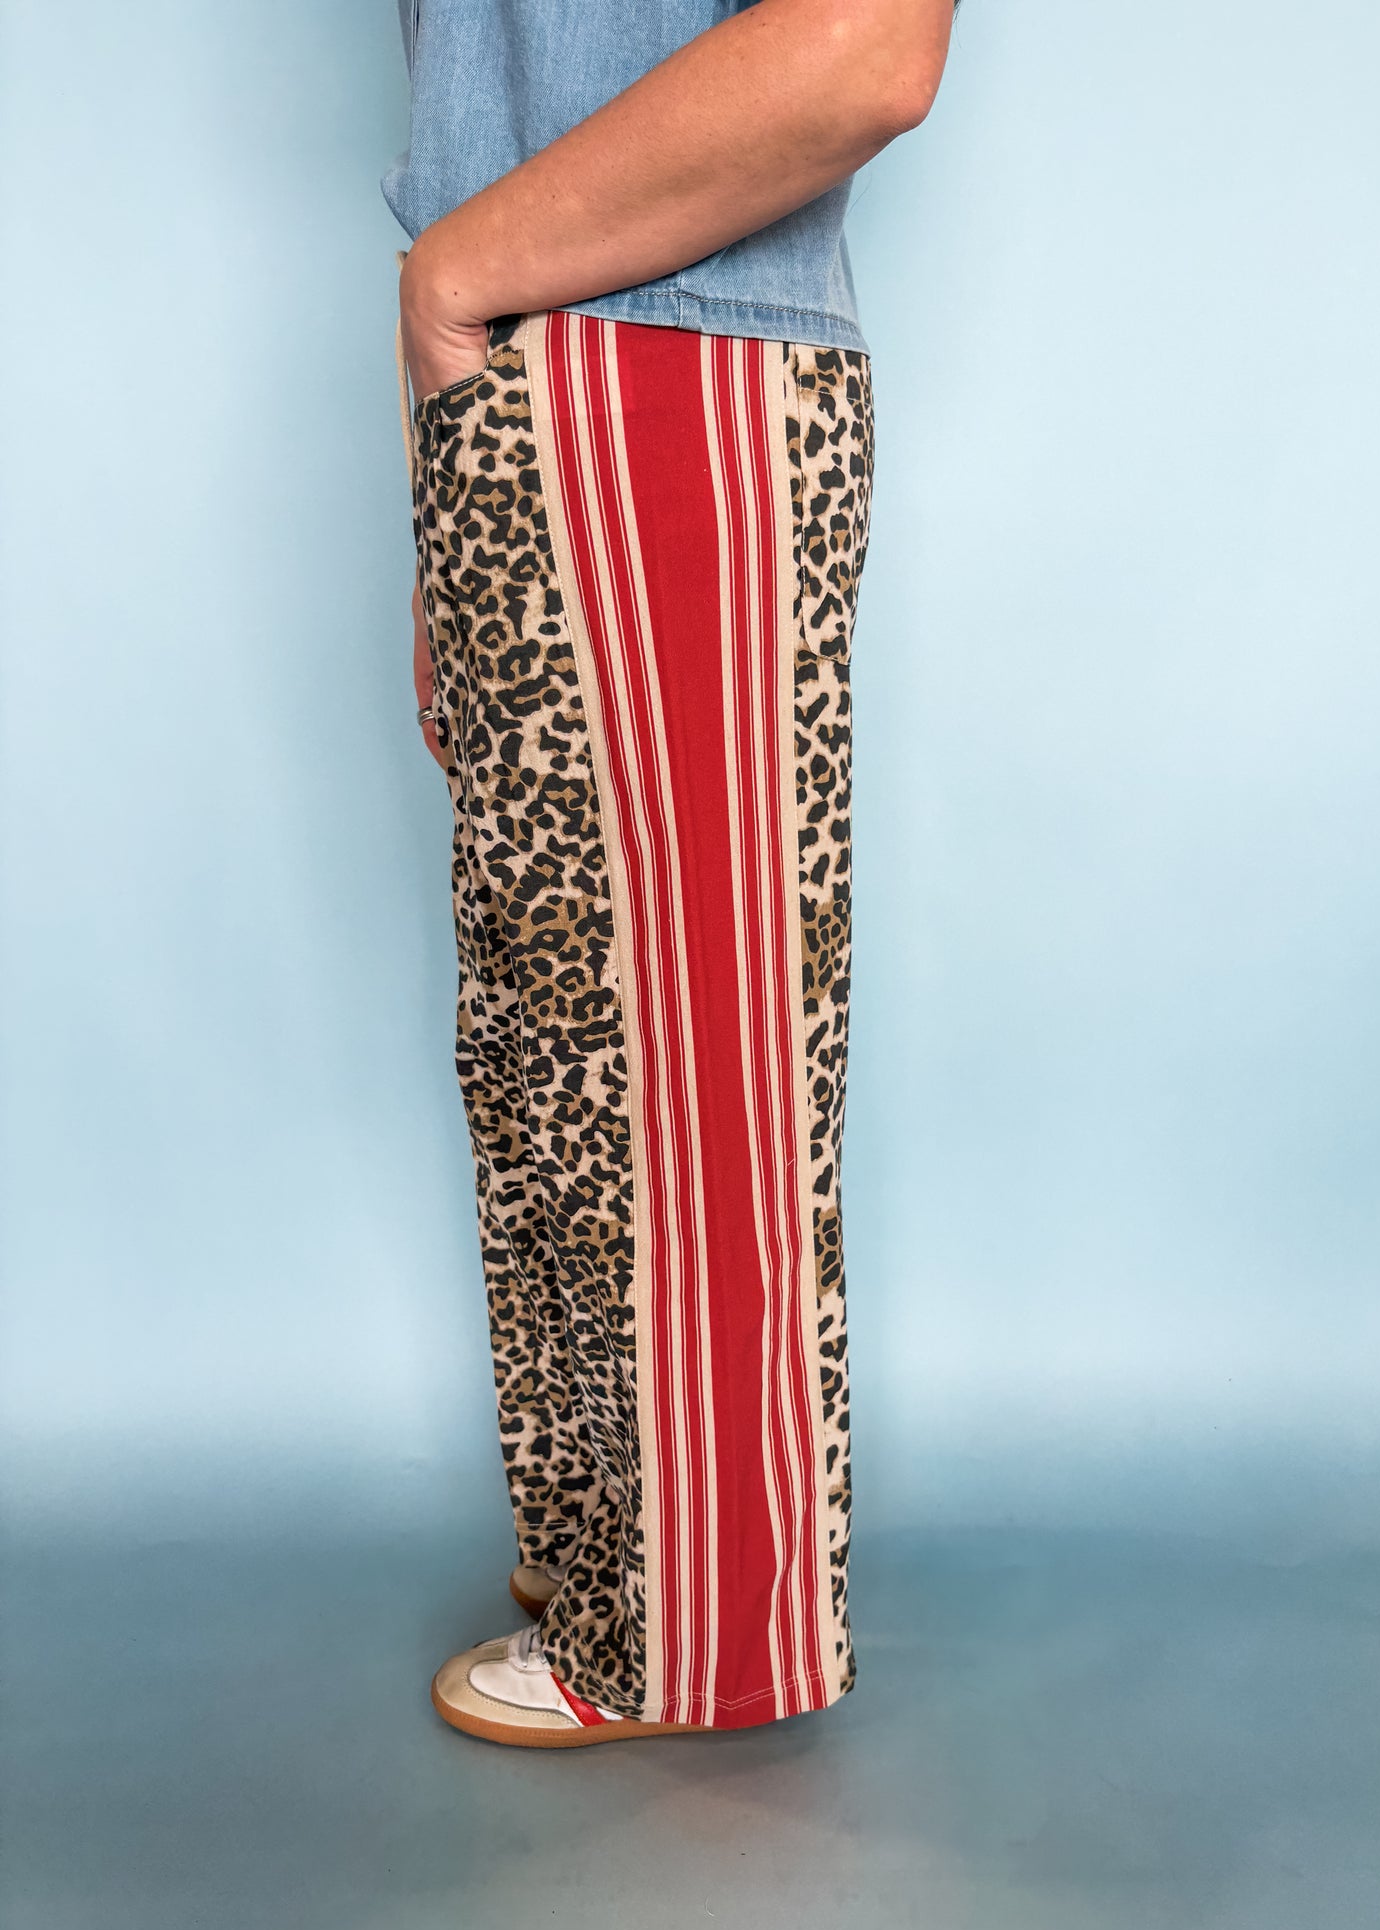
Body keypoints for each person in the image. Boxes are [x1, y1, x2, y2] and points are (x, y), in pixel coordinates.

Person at [387, 0, 954, 1747]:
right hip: (565, 358)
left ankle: (701, 1632)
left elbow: (867, 42)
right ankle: (610, 1549)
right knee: (556, 1048)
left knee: (692, 1066)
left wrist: (454, 280)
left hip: (662, 355)